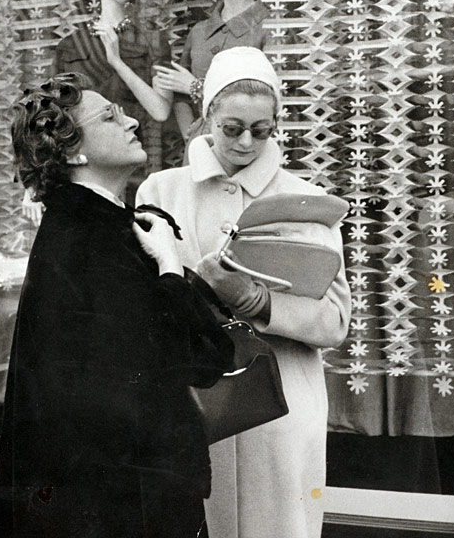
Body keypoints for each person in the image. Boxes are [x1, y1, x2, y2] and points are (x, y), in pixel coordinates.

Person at [0, 73, 235, 538]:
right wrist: (169, 264)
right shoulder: (93, 236)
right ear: (71, 152)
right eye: (109, 116)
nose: (132, 122)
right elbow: (198, 359)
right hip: (125, 507)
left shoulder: (86, 225)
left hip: (109, 500)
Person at [137, 47, 352, 538]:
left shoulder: (306, 201)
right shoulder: (161, 191)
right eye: (232, 128)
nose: (246, 142)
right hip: (194, 402)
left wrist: (257, 300)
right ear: (207, 115)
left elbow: (336, 321)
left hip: (281, 407)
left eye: (262, 130)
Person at [23, 0, 174, 222]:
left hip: (136, 162)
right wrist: (33, 181)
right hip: (85, 166)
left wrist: (117, 61)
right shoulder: (72, 46)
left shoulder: (153, 41)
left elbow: (161, 111)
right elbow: (50, 116)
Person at [151, 0, 268, 149]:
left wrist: (195, 87)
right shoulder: (199, 31)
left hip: (248, 148)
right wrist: (194, 138)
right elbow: (180, 97)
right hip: (201, 151)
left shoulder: (266, 27)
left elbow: (263, 100)